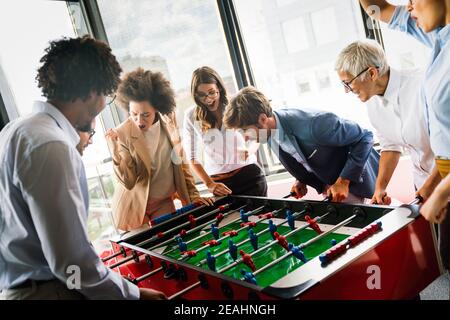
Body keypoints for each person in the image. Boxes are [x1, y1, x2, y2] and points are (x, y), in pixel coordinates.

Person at [0, 36, 165, 300]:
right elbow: (71, 264)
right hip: (47, 293)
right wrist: (133, 296)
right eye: (107, 93)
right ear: (92, 91)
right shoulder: (52, 144)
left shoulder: (15, 130)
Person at [359, 0, 450, 284]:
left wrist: (437, 192)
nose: (408, 8)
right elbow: (378, 8)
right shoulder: (438, 35)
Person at [223, 86, 380, 203]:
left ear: (263, 119)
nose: (244, 138)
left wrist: (343, 181)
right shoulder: (268, 131)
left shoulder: (315, 124)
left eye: (244, 131)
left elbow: (365, 137)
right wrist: (302, 179)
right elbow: (302, 154)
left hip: (360, 185)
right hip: (332, 188)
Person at [106, 68, 213, 232]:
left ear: (156, 108)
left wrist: (194, 196)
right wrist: (114, 152)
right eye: (134, 114)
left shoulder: (169, 124)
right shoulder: (122, 133)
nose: (139, 121)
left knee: (172, 244)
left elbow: (181, 165)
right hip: (134, 207)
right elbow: (128, 181)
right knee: (147, 253)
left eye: (145, 115)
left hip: (163, 202)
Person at [335, 39, 438, 204]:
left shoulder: (423, 85)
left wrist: (431, 186)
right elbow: (390, 147)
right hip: (422, 184)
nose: (347, 90)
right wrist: (380, 188)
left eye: (348, 83)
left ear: (371, 74)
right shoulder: (372, 100)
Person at [183, 66, 267, 197]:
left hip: (249, 176)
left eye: (211, 92)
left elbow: (258, 134)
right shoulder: (190, 115)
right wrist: (209, 184)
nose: (208, 99)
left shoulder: (236, 104)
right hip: (219, 184)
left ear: (219, 88)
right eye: (201, 95)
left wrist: (249, 150)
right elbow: (192, 157)